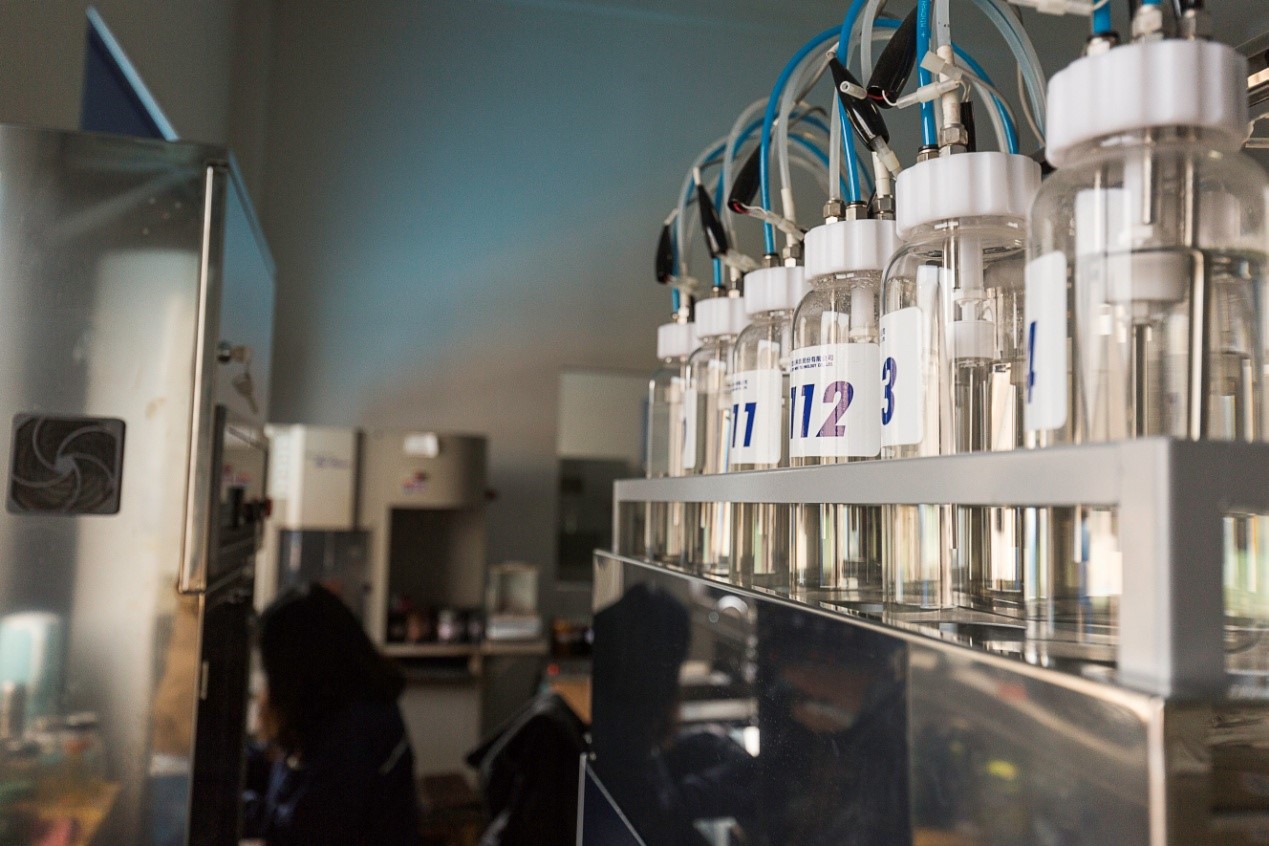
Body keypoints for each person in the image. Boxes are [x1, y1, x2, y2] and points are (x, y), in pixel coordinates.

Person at [242, 583, 421, 846]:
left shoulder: (358, 731)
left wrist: (233, 804)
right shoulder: (345, 705)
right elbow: (289, 769)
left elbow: (301, 829)